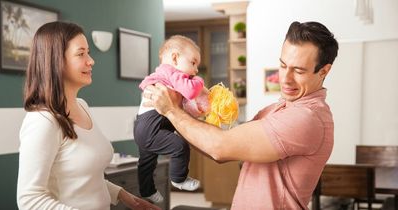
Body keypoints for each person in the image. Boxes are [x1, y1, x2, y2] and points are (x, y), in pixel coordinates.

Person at [143, 21, 339, 209]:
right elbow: (221, 150)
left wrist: (171, 110)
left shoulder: (307, 118)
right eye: (282, 65)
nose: (285, 79)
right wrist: (179, 113)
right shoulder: (274, 110)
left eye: (298, 70)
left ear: (324, 71)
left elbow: (220, 147)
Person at [17, 21, 160, 210]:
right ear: (56, 60)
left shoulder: (82, 106)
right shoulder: (43, 120)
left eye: (88, 52)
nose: (91, 61)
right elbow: (30, 199)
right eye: (81, 53)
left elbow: (86, 178)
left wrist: (126, 197)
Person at [134, 35, 208, 203]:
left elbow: (183, 106)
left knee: (147, 162)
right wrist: (199, 81)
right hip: (152, 126)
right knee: (179, 146)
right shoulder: (171, 72)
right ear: (175, 58)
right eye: (193, 63)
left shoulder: (165, 76)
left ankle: (147, 190)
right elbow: (190, 92)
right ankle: (179, 179)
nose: (196, 70)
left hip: (144, 126)